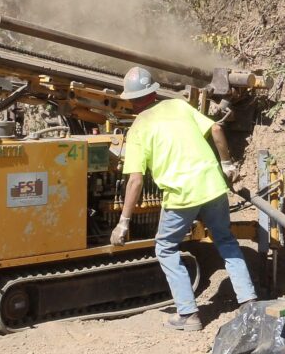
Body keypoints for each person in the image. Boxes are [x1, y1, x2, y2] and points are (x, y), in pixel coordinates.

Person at [110, 65, 256, 331]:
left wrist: (123, 222)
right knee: (225, 239)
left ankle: (188, 315)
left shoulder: (138, 129)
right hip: (212, 185)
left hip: (181, 196)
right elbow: (216, 130)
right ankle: (248, 301)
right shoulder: (178, 106)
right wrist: (227, 164)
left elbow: (135, 180)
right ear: (153, 92)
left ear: (131, 101)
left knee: (165, 247)